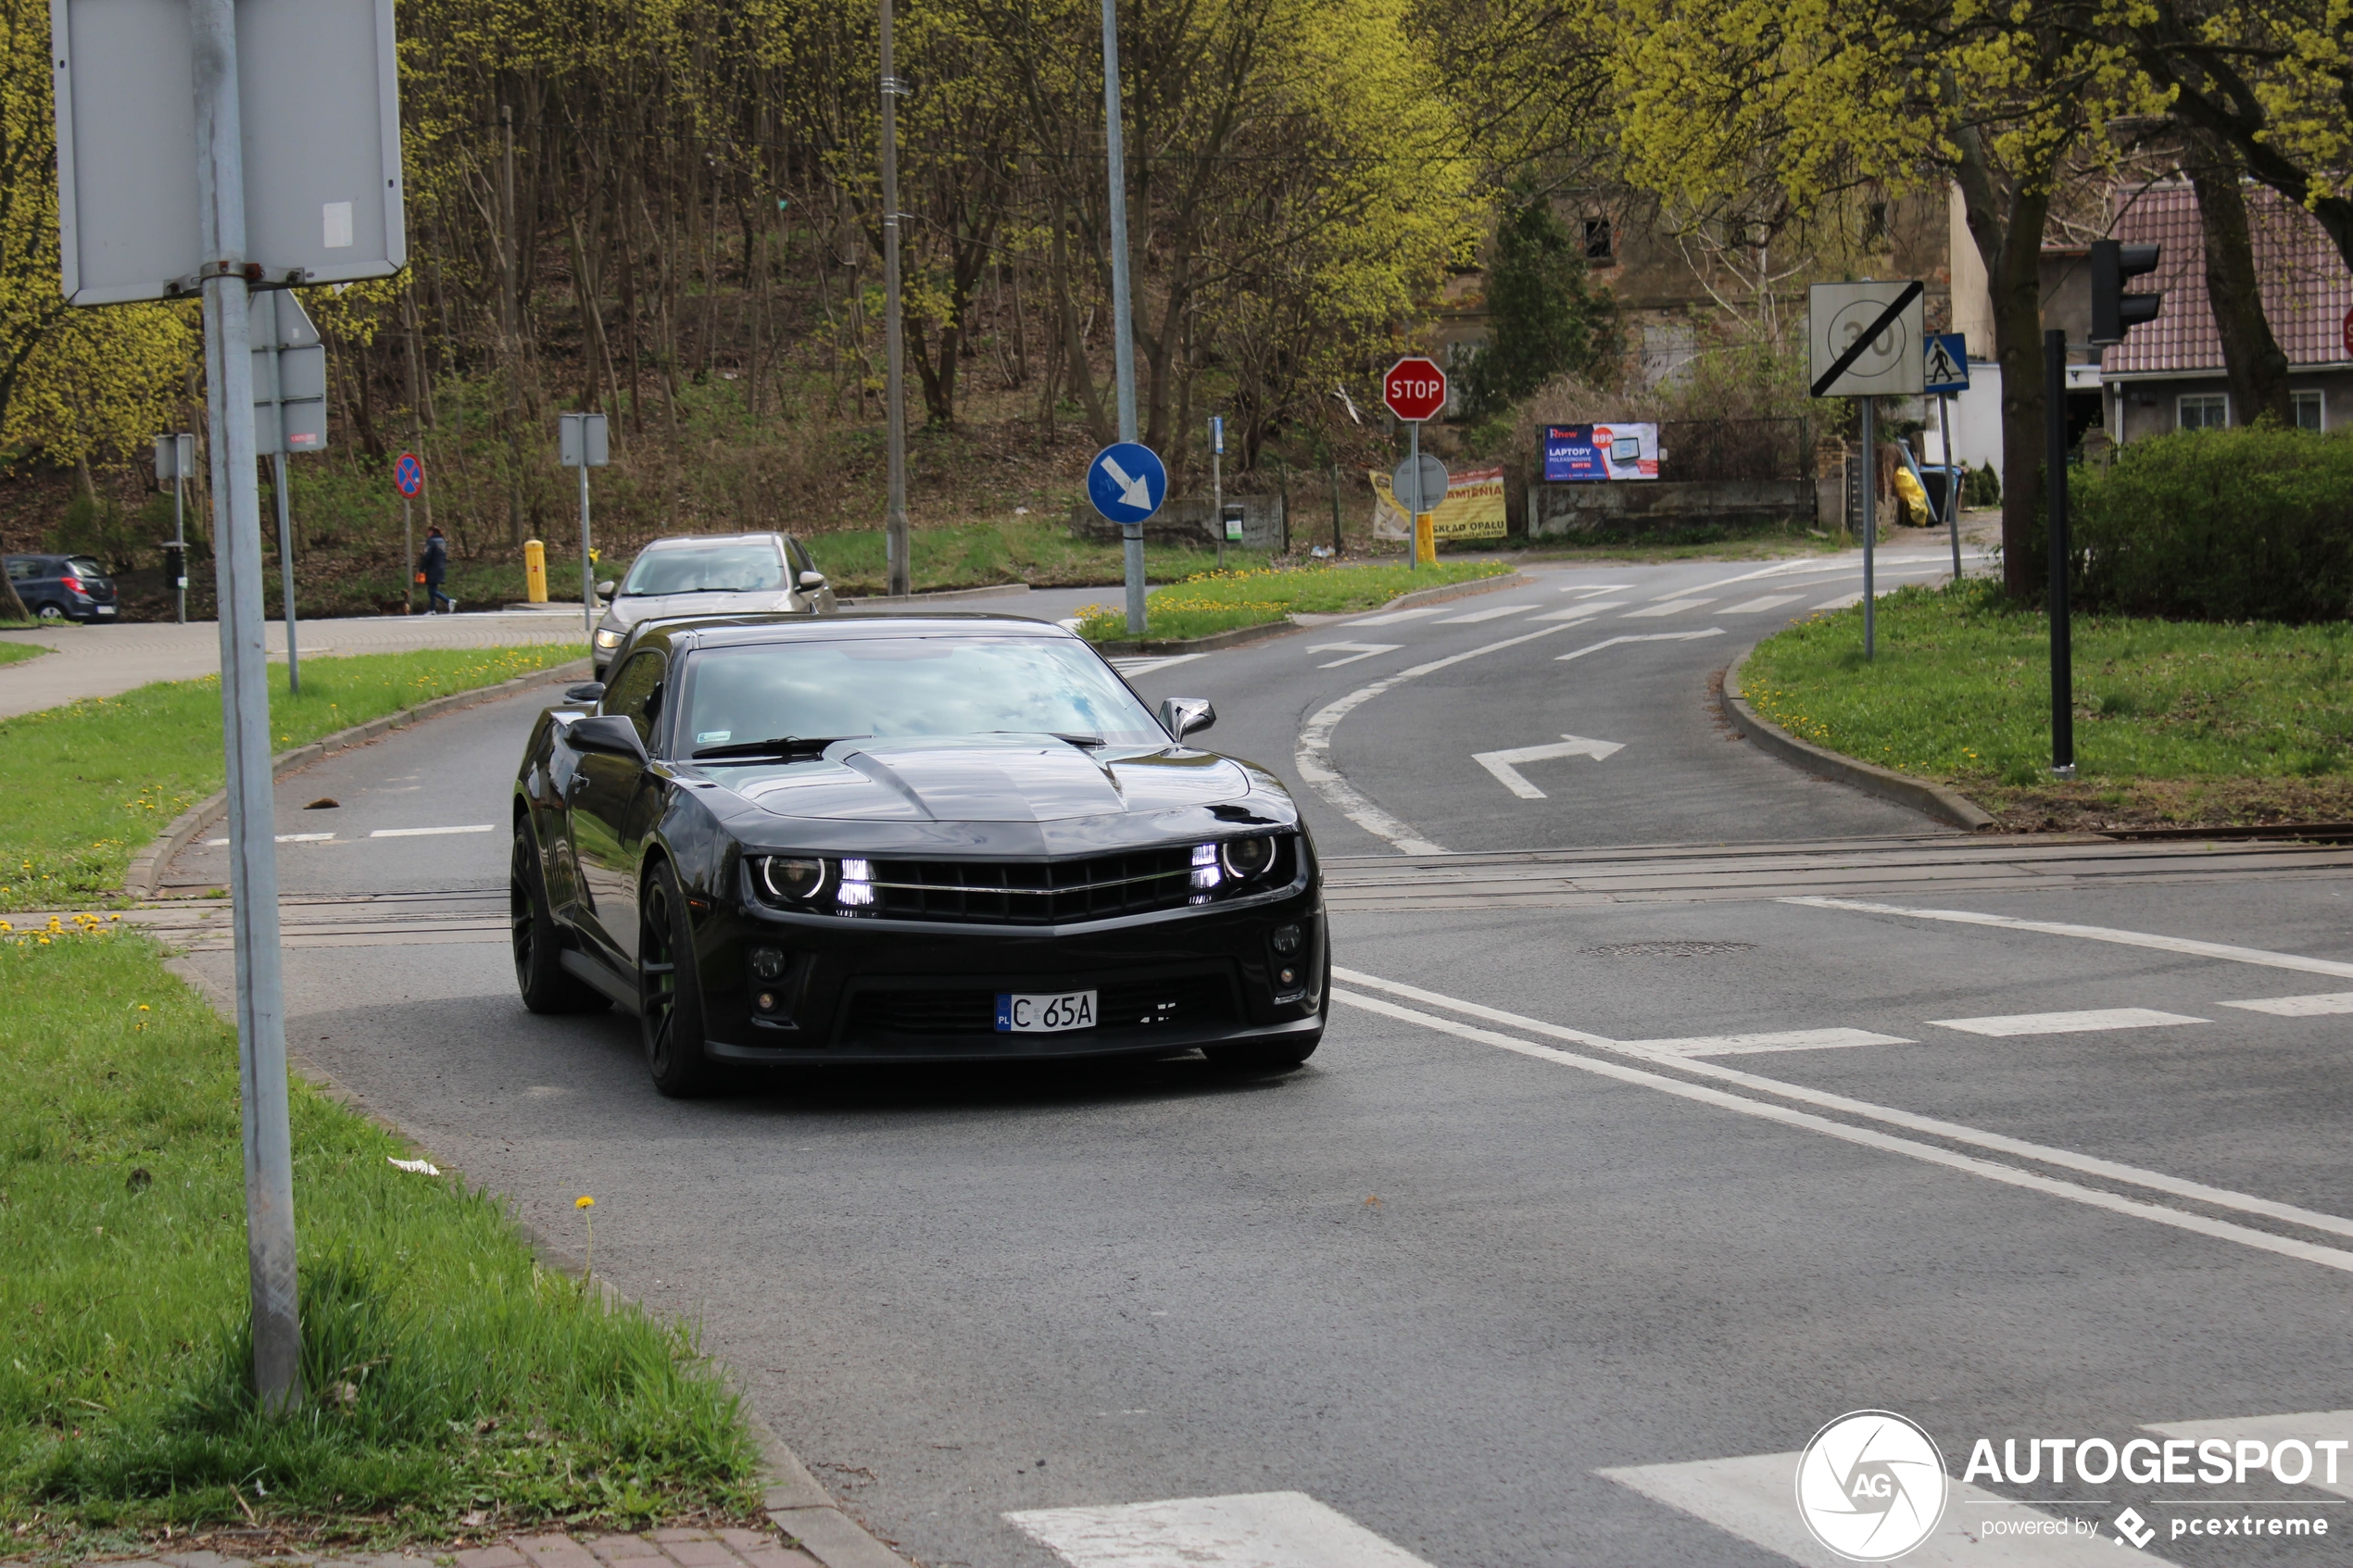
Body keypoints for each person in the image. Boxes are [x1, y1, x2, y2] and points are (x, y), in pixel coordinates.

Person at [419, 526, 457, 614]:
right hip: (440, 567)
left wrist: (421, 569)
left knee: (432, 590)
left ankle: (448, 601)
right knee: (432, 587)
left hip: (432, 567)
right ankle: (432, 609)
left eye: (428, 532)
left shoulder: (431, 541)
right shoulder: (442, 541)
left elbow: (426, 556)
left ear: (431, 532)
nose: (427, 534)